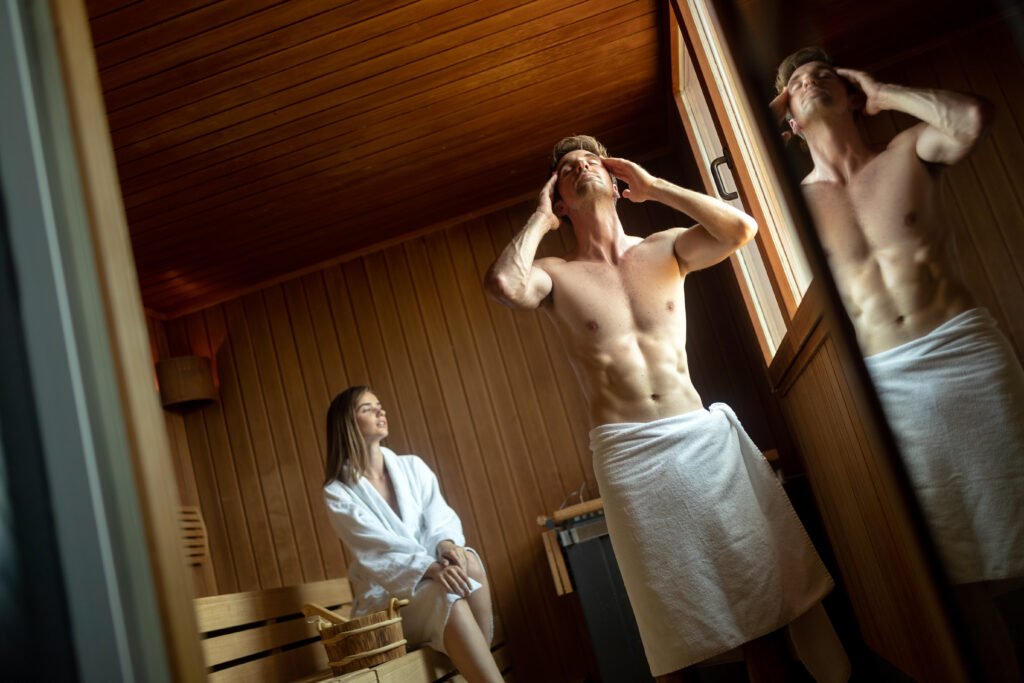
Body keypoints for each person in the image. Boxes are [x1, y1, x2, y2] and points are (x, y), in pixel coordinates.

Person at [485, 135, 848, 681]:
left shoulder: (665, 247)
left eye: (592, 161)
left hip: (698, 441)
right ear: (560, 199)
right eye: (566, 169)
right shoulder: (556, 273)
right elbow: (506, 284)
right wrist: (539, 220)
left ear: (616, 180)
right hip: (629, 454)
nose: (582, 166)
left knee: (757, 608)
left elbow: (740, 230)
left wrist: (656, 188)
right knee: (676, 610)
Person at [773, 47, 1024, 680]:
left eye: (823, 75)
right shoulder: (794, 205)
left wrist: (883, 92)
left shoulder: (908, 151)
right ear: (790, 120)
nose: (810, 83)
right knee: (952, 572)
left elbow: (970, 120)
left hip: (965, 354)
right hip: (891, 390)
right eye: (797, 84)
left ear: (850, 93)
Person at [323, 386, 500, 683]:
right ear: (348, 423)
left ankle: (477, 669)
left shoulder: (413, 467)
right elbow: (379, 550)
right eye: (367, 408)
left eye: (380, 405)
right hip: (388, 602)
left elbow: (439, 517)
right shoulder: (338, 493)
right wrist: (428, 568)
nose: (381, 411)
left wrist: (445, 546)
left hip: (432, 575)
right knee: (443, 595)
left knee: (469, 562)